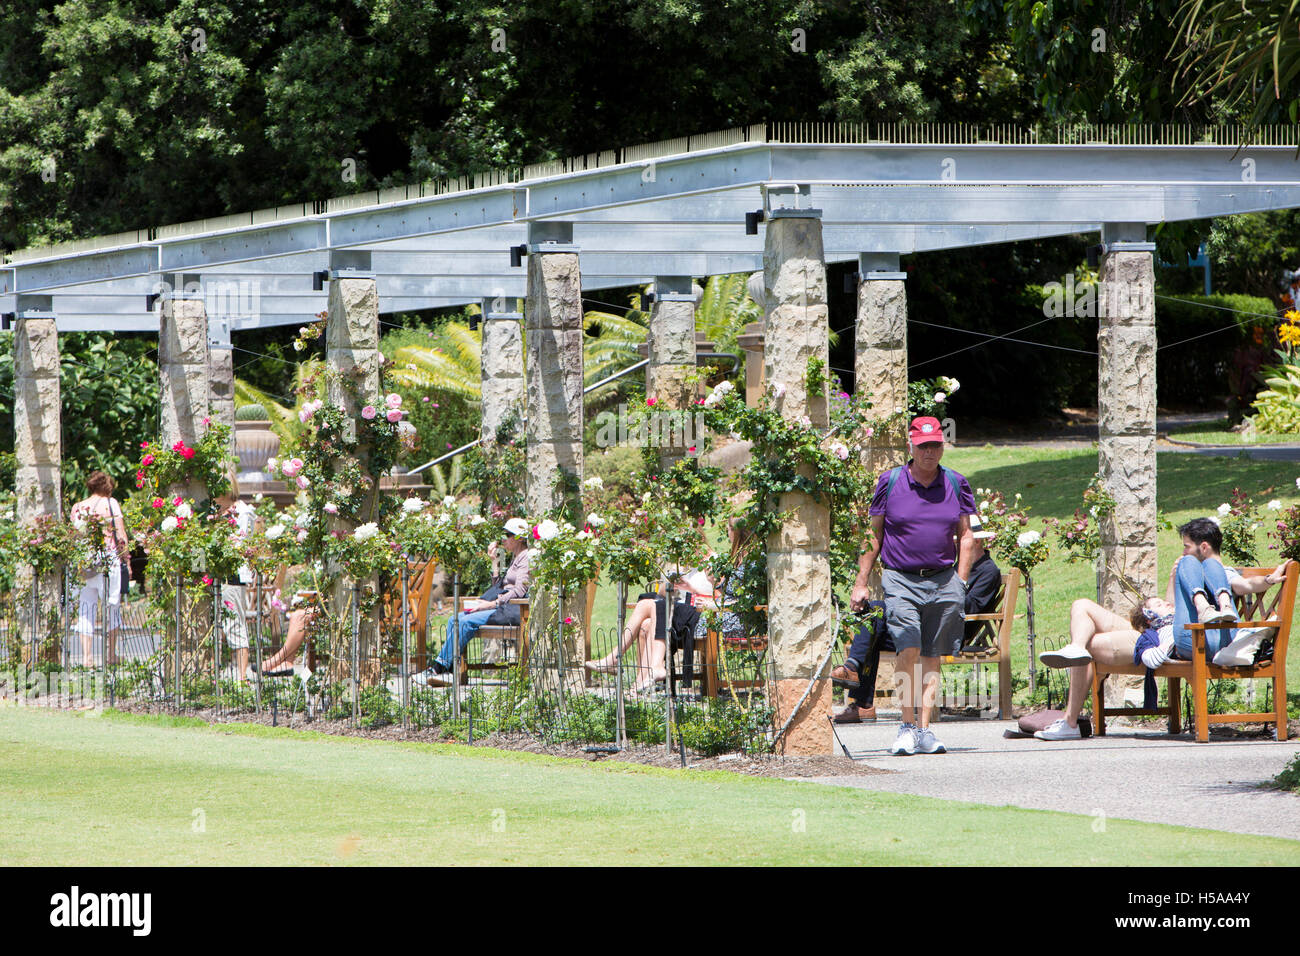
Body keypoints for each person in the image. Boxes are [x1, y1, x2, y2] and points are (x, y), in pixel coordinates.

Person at [849, 416, 976, 755]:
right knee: (908, 649)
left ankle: (924, 730)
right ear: (911, 446)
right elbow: (873, 535)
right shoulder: (889, 482)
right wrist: (861, 582)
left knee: (932, 655)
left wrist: (961, 580)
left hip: (943, 579)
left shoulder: (956, 482)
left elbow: (966, 535)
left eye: (935, 444)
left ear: (942, 445)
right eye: (923, 446)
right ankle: (905, 727)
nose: (929, 452)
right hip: (900, 579)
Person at [833, 512, 1001, 723]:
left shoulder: (988, 571)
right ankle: (855, 678)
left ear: (975, 541)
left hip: (947, 630)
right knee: (873, 613)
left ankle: (858, 686)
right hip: (922, 621)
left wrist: (944, 591)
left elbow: (971, 606)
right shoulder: (954, 566)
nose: (954, 545)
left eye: (957, 540)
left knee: (877, 617)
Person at [584, 518, 747, 695]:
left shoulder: (713, 561)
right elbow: (663, 593)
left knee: (653, 605)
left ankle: (620, 658)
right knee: (647, 621)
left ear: (698, 539)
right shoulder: (682, 563)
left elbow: (720, 597)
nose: (683, 550)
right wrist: (670, 583)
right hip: (675, 609)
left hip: (696, 613)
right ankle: (640, 682)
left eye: (686, 544)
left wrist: (691, 588)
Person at [412, 517, 533, 687]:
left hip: (512, 611)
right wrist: (494, 561)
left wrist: (490, 604)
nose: (503, 539)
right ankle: (450, 669)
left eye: (508, 535)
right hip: (502, 607)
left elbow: (519, 591)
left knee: (465, 622)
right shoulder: (516, 557)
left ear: (520, 538)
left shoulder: (525, 557)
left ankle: (438, 669)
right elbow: (499, 586)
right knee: (455, 619)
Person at [70, 471, 129, 668]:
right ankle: (111, 655)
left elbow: (74, 538)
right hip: (107, 561)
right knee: (112, 606)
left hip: (84, 563)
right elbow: (120, 536)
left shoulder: (77, 507)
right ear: (107, 486)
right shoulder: (110, 504)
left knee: (86, 609)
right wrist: (126, 560)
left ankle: (87, 658)